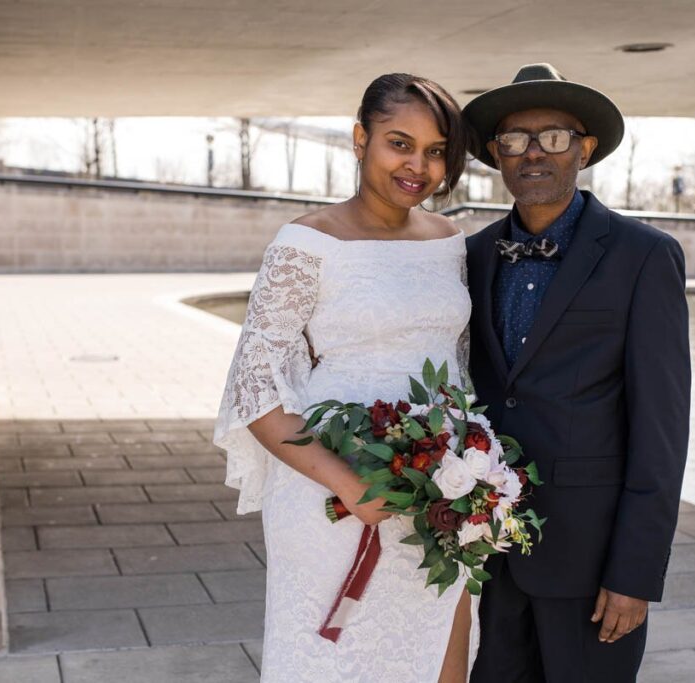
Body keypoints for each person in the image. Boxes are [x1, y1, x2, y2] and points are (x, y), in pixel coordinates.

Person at [213, 73, 475, 683]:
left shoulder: (451, 242)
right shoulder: (307, 243)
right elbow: (254, 388)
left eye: (436, 151)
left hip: (442, 488)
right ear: (361, 140)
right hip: (331, 487)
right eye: (399, 143)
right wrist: (348, 483)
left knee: (443, 655)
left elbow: (458, 368)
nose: (418, 166)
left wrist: (474, 468)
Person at [463, 64, 691, 682]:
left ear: (585, 149)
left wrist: (634, 574)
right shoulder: (473, 255)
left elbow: (661, 435)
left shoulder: (644, 256)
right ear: (495, 154)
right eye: (514, 139)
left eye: (554, 137)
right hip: (488, 556)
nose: (533, 153)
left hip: (592, 568)